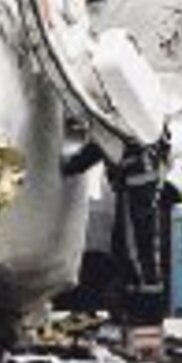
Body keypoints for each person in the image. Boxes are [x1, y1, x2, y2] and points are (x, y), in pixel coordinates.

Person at [61, 133, 168, 325]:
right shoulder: (138, 121)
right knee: (133, 248)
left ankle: (144, 315)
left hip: (134, 184)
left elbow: (100, 144)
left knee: (135, 250)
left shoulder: (117, 122)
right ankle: (139, 312)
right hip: (142, 180)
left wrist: (68, 165)